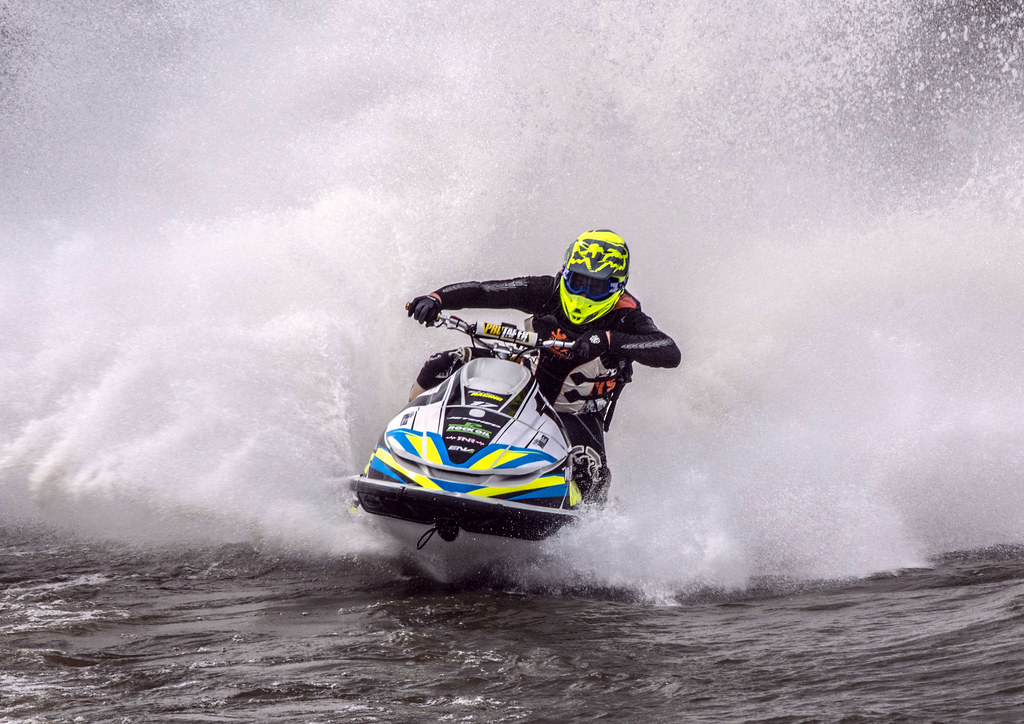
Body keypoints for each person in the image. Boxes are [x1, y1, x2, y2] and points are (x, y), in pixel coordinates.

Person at [406, 229, 680, 503]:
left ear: (616, 287)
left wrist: (609, 340)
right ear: (565, 273)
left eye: (595, 287)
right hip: (520, 386)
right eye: (577, 281)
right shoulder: (547, 290)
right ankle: (407, 447)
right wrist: (437, 298)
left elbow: (669, 351)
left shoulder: (627, 317)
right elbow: (484, 291)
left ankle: (588, 517)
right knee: (440, 364)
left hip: (575, 412)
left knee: (588, 474)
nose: (583, 294)